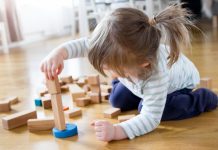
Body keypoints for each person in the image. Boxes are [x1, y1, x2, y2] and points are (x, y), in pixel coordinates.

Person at [40, 4, 218, 142]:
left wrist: (118, 131)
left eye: (109, 67)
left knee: (150, 109)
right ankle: (128, 84)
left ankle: (203, 99)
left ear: (143, 64)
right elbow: (86, 45)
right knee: (116, 99)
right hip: (137, 81)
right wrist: (59, 53)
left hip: (176, 87)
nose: (103, 70)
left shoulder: (157, 74)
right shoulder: (121, 53)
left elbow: (150, 119)